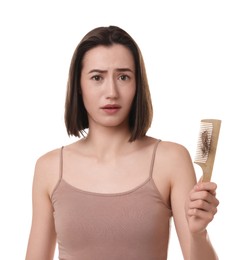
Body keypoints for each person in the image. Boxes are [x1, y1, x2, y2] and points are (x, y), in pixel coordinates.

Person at [25, 25, 219, 260]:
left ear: (138, 85)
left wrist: (199, 234)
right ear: (78, 85)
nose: (112, 92)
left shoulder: (171, 160)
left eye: (123, 76)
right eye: (97, 77)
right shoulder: (49, 167)